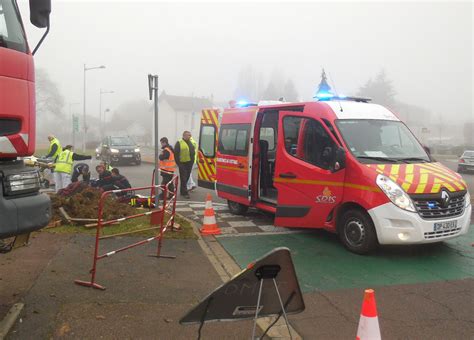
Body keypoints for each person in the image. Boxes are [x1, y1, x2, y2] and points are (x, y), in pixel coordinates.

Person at [174, 131, 195, 199]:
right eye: (188, 135)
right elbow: (176, 154)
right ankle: (184, 192)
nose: (189, 136)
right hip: (182, 163)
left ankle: (182, 191)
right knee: (183, 178)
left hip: (189, 163)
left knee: (187, 177)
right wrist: (179, 164)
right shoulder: (179, 143)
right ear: (184, 136)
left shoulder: (190, 143)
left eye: (190, 135)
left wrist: (192, 162)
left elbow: (192, 152)